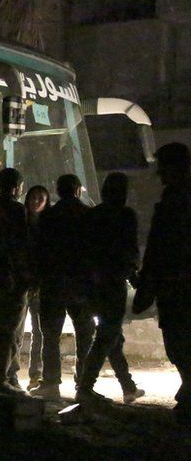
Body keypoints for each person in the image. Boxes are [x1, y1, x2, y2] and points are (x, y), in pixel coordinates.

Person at [134, 142, 191, 422]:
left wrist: (150, 281)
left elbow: (161, 248)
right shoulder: (174, 199)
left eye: (163, 168)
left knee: (180, 343)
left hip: (177, 287)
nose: (159, 174)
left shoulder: (176, 202)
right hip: (174, 286)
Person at [76, 173, 145, 404]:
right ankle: (86, 386)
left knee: (111, 334)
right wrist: (133, 273)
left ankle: (127, 386)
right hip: (113, 282)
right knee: (108, 335)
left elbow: (85, 251)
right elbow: (129, 250)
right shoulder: (126, 215)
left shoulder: (92, 215)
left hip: (93, 284)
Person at [31, 174, 94, 400]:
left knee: (50, 335)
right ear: (77, 190)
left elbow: (39, 251)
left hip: (53, 284)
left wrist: (38, 280)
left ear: (57, 191)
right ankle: (84, 383)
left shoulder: (48, 216)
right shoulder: (88, 215)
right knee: (84, 334)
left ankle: (51, 382)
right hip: (80, 285)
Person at [0, 168, 32, 395]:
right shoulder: (17, 210)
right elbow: (20, 246)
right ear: (17, 187)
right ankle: (1, 378)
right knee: (10, 330)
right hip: (11, 278)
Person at [15, 184, 48, 391]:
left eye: (40, 198)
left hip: (39, 284)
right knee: (17, 331)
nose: (36, 202)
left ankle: (36, 375)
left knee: (39, 332)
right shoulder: (21, 223)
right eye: (33, 198)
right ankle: (12, 374)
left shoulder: (46, 227)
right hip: (21, 282)